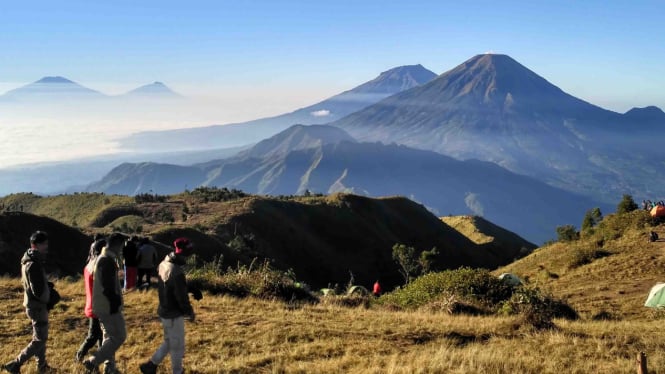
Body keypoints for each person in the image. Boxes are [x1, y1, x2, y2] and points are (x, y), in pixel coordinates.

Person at [139, 238, 197, 374]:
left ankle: (151, 365)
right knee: (177, 346)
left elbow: (171, 286)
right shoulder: (176, 271)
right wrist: (189, 312)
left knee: (170, 341)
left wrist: (189, 288)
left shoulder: (164, 263)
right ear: (184, 253)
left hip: (164, 309)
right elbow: (181, 297)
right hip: (173, 313)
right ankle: (177, 371)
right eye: (188, 253)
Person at [3, 231, 57, 373]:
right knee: (40, 339)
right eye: (43, 244)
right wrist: (48, 298)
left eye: (46, 243)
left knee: (39, 337)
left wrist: (47, 287)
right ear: (35, 245)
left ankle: (42, 365)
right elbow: (37, 291)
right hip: (37, 306)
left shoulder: (30, 261)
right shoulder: (33, 264)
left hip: (34, 305)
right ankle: (15, 364)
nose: (46, 247)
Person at [81, 233, 126, 374]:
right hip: (107, 306)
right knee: (119, 336)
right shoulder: (106, 260)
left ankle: (109, 368)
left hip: (102, 305)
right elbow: (108, 286)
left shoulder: (102, 259)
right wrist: (115, 302)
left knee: (109, 337)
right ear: (117, 245)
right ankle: (93, 361)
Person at [75, 239, 105, 363]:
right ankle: (79, 356)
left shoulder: (90, 264)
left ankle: (101, 356)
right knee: (93, 335)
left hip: (92, 303)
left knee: (99, 334)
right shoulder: (98, 266)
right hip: (97, 305)